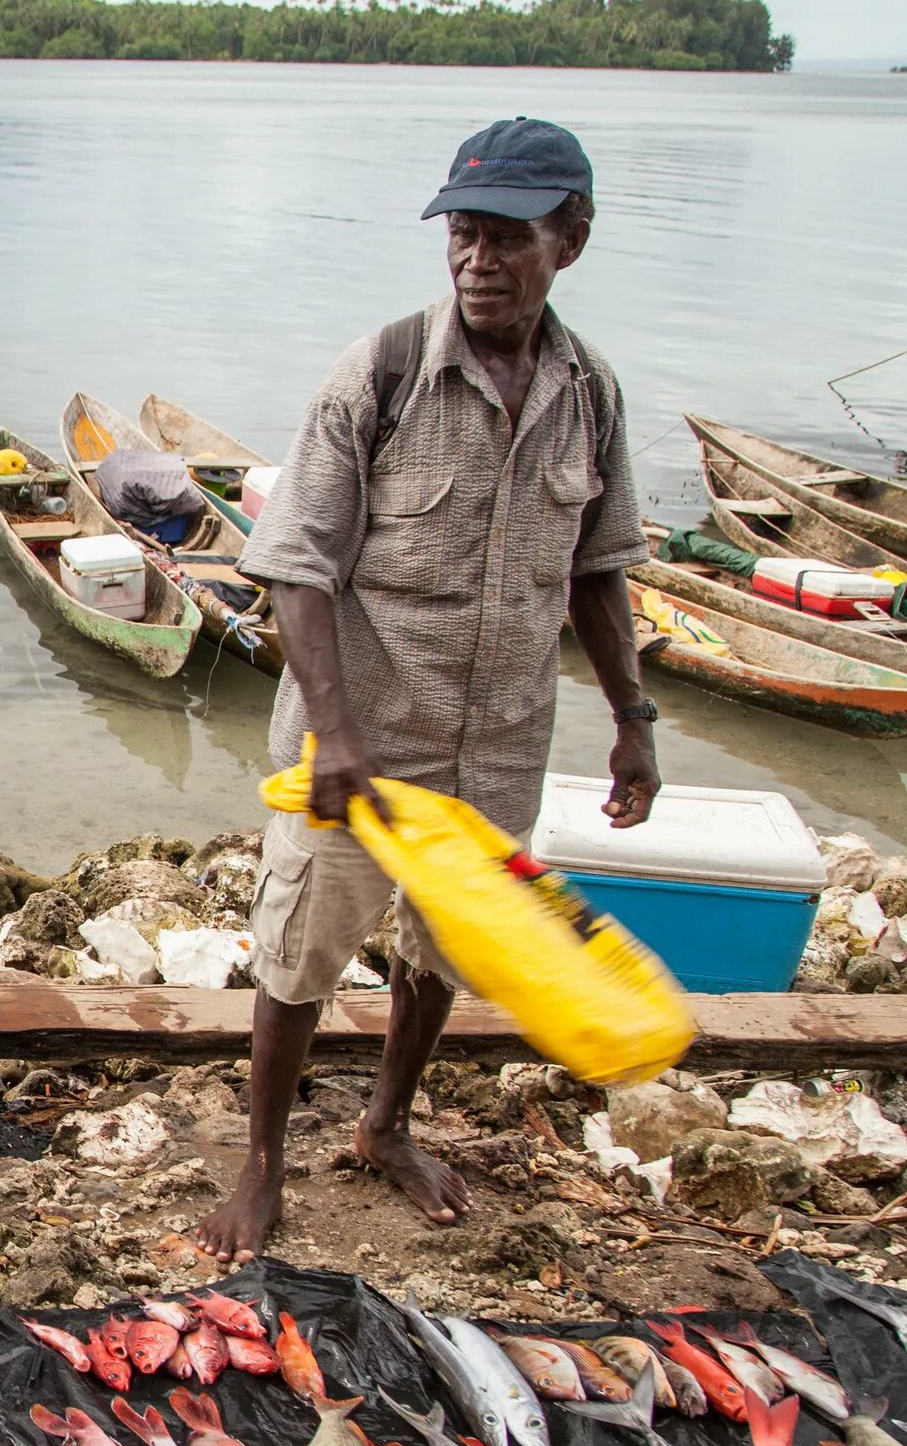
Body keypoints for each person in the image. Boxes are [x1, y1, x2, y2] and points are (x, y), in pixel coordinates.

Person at [193, 117, 661, 1264]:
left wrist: (633, 718)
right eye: (463, 233)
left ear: (573, 240)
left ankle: (385, 1125)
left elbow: (599, 568)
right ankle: (261, 1166)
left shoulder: (590, 392)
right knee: (299, 953)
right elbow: (296, 563)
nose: (478, 261)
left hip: (497, 748)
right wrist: (340, 736)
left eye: (508, 238)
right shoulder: (383, 371)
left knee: (442, 956)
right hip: (359, 751)